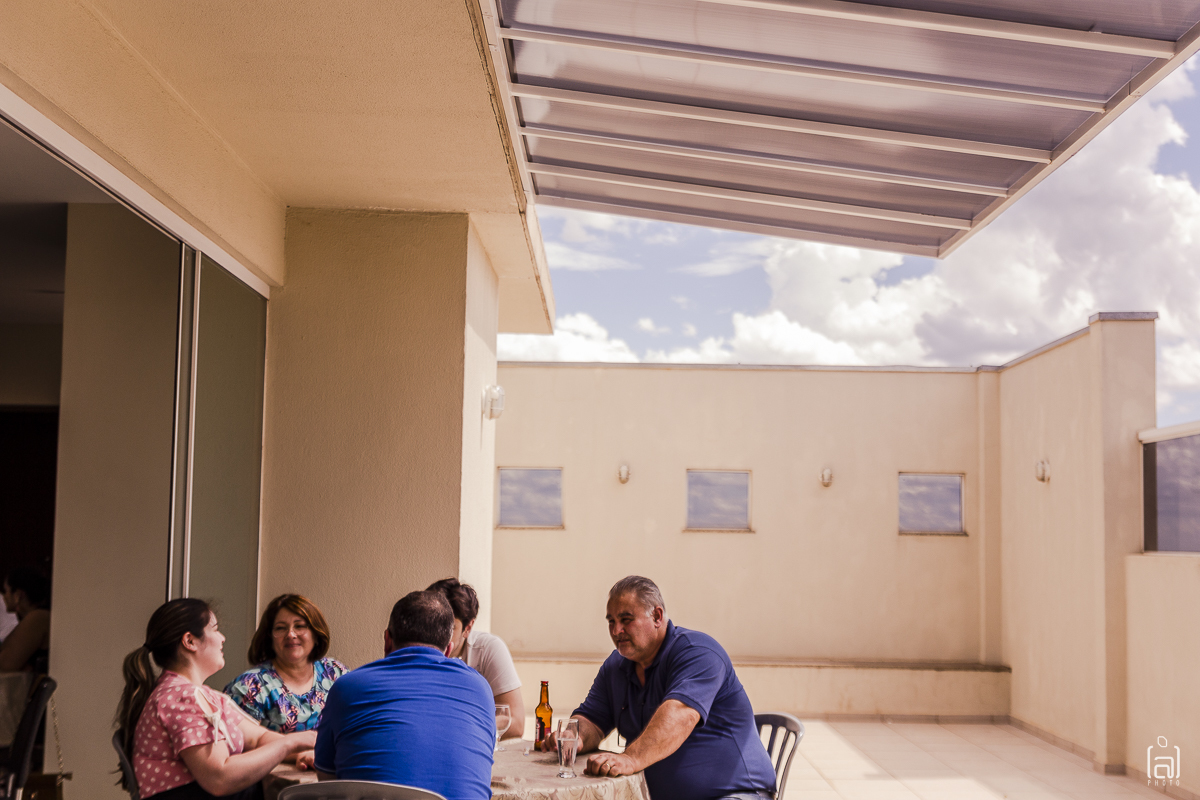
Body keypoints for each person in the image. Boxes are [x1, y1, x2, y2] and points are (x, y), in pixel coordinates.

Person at [545, 576, 777, 800]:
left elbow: (680, 715)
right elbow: (592, 719)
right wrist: (574, 736)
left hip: (735, 793)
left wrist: (630, 759)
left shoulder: (699, 652)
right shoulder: (616, 666)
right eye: (611, 622)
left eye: (626, 620)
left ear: (657, 616)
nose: (616, 631)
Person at [116, 598, 316, 800]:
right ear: (190, 641)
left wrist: (300, 752)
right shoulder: (181, 698)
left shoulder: (206, 696)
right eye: (215, 629)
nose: (222, 638)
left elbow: (257, 738)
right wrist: (289, 744)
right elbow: (220, 778)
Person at [313, 590, 494, 800]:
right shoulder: (480, 689)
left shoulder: (346, 688)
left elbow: (327, 780)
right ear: (448, 650)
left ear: (387, 640)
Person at [224, 594, 348, 734]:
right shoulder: (249, 687)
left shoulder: (335, 673)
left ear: (316, 634)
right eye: (280, 628)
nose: (290, 634)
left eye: (299, 626)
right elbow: (238, 743)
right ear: (269, 637)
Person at [427, 577, 524, 738]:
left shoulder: (488, 649)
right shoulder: (413, 648)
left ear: (468, 627)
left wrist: (461, 726)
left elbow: (516, 723)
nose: (438, 633)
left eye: (449, 627)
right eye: (432, 622)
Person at [0, 567, 51, 673]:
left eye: (6, 591)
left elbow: (5, 664)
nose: (4, 597)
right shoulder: (36, 617)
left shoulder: (37, 618)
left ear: (18, 595)